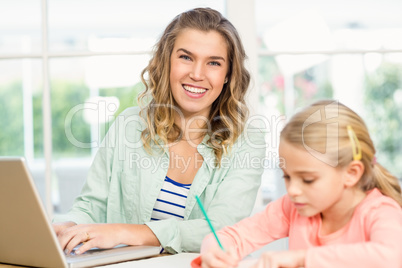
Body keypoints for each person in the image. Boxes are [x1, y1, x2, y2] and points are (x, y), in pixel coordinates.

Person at [52, 7, 266, 255]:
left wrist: (124, 232)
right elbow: (92, 205)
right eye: (186, 57)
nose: (197, 74)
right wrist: (68, 226)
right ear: (167, 61)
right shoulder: (129, 125)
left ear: (228, 74)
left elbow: (221, 231)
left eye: (214, 63)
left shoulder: (247, 141)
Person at [198, 100, 402, 268]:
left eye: (308, 180)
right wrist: (214, 250)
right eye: (286, 177)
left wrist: (302, 258)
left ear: (351, 173)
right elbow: (233, 236)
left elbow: (391, 257)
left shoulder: (380, 212)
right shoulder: (292, 207)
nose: (293, 190)